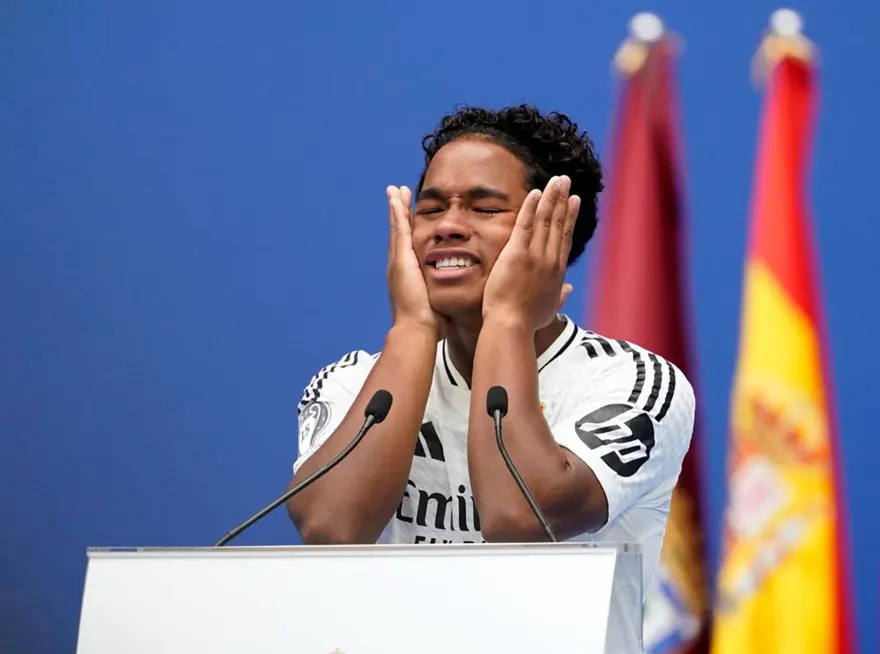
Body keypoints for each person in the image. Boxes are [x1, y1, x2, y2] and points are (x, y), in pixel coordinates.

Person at [287, 104, 694, 649]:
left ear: (553, 234)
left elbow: (520, 518)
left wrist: (507, 319)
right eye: (430, 209)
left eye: (484, 208)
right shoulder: (352, 381)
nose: (448, 226)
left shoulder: (632, 382)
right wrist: (412, 329)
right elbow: (332, 530)